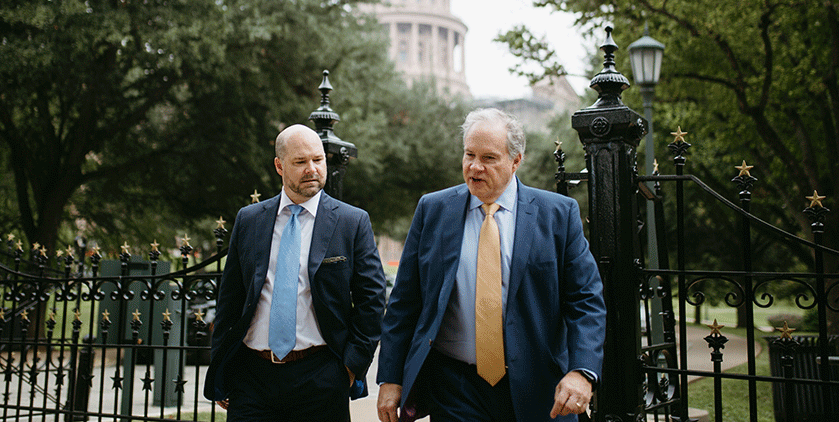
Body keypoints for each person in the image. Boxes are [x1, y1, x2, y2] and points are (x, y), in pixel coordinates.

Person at [376, 108, 606, 422]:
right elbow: (405, 302)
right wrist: (391, 377)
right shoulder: (433, 210)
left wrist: (582, 371)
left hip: (539, 389)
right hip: (454, 388)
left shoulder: (558, 215)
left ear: (516, 161)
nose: (474, 167)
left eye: (489, 158)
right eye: (469, 154)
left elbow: (585, 301)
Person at [204, 124, 386, 422]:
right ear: (279, 165)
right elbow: (230, 300)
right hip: (252, 378)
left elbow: (372, 300)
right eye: (300, 162)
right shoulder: (249, 220)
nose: (312, 169)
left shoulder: (352, 222)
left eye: (318, 160)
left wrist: (352, 365)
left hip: (320, 377)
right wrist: (224, 365)